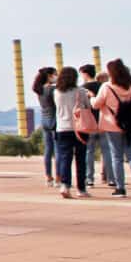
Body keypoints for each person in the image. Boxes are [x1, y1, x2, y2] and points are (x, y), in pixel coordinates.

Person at [89, 58, 131, 199]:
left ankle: (120, 188)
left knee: (117, 157)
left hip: (112, 126)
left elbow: (96, 105)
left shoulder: (107, 87)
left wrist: (91, 98)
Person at [52, 66, 90, 199]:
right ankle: (81, 188)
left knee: (64, 158)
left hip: (62, 128)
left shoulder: (57, 92)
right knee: (81, 159)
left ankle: (65, 185)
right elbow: (87, 106)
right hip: (80, 128)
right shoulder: (80, 91)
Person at [79, 64, 113, 188]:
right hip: (103, 122)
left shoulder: (82, 89)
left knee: (89, 152)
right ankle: (111, 178)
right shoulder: (104, 87)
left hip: (89, 124)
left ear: (85, 73)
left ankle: (89, 179)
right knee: (107, 152)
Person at [31, 67, 58, 187]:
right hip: (55, 119)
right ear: (49, 75)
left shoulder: (39, 89)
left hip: (44, 119)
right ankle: (59, 177)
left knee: (48, 150)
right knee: (58, 151)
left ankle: (48, 177)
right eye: (55, 74)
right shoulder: (53, 89)